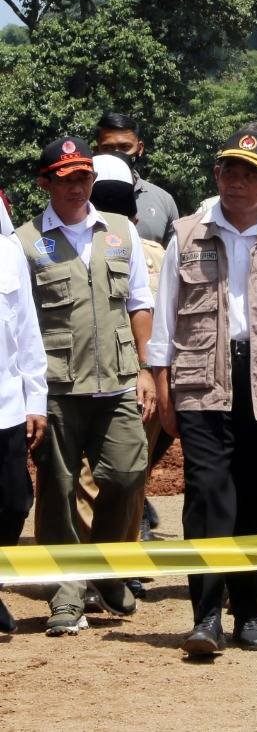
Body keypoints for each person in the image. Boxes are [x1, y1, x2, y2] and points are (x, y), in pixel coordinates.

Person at [149, 127, 257, 656]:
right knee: (206, 494)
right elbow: (163, 321)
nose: (238, 182)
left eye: (251, 172)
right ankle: (205, 616)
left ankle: (251, 613)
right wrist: (161, 386)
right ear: (216, 175)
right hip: (203, 377)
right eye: (230, 170)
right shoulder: (185, 234)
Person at [17, 137, 154, 636]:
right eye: (66, 177)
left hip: (117, 379)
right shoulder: (25, 241)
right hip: (56, 385)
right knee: (58, 490)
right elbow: (19, 321)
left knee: (126, 473)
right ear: (45, 182)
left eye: (84, 176)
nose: (77, 186)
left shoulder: (118, 231)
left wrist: (144, 368)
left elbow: (139, 302)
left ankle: (105, 568)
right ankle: (67, 592)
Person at [72, 155, 167, 599]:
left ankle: (104, 569)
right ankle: (107, 569)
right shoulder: (153, 251)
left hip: (126, 374)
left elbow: (145, 309)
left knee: (102, 477)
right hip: (99, 376)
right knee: (126, 474)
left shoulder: (139, 250)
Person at [0, 229, 47, 633]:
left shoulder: (8, 250)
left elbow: (27, 329)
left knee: (16, 502)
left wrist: (36, 399)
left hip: (7, 404)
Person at [94, 111, 180, 246]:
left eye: (125, 147)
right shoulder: (81, 199)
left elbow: (173, 259)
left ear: (140, 149)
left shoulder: (163, 201)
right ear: (96, 150)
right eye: (108, 148)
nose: (117, 154)